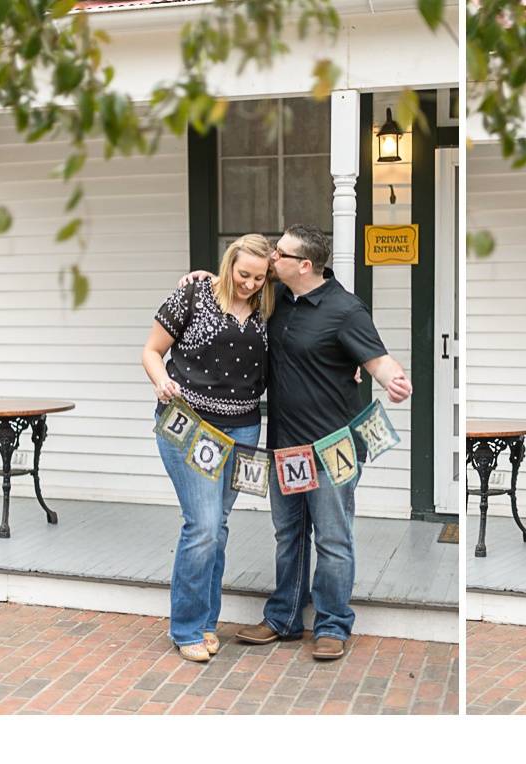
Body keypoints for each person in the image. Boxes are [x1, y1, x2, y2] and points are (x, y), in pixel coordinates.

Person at [185, 225, 412, 661]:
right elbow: (229, 280)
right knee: (289, 535)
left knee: (332, 537)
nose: (271, 258)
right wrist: (197, 278)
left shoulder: (346, 310)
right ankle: (284, 618)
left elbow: (378, 359)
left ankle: (332, 624)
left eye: (280, 254)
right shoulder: (277, 298)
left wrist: (394, 380)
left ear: (304, 265)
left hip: (333, 448)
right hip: (284, 445)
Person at [142, 234, 275, 662]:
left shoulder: (269, 309)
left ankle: (206, 623)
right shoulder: (194, 293)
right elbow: (151, 350)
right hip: (190, 426)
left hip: (244, 432)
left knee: (216, 528)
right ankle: (185, 629)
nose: (250, 283)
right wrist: (160, 380)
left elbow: (319, 295)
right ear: (228, 263)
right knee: (201, 525)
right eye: (243, 274)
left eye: (259, 277)